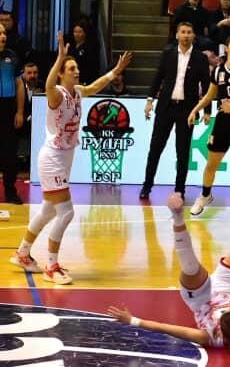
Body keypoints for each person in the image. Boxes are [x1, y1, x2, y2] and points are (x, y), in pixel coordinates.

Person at [108, 166, 230, 362]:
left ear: (220, 328)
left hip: (201, 299)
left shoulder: (209, 337)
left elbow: (168, 329)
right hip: (229, 287)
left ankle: (177, 217)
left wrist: (133, 320)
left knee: (191, 268)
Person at [9, 32, 132, 284]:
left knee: (47, 211)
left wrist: (115, 71)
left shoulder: (77, 91)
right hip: (52, 158)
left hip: (65, 157)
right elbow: (48, 85)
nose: (76, 71)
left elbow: (95, 86)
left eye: (76, 68)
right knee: (66, 212)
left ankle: (22, 253)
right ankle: (51, 266)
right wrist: (59, 58)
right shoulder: (57, 94)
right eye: (71, 68)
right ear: (62, 74)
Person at [187, 34, 230, 227]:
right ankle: (205, 195)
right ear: (227, 48)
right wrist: (195, 110)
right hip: (223, 122)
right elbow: (210, 95)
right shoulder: (218, 70)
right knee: (211, 164)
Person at [141, 22, 211, 200]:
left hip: (187, 110)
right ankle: (147, 186)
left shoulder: (200, 58)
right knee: (155, 148)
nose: (186, 35)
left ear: (194, 35)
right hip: (166, 107)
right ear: (177, 35)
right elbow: (158, 77)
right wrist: (149, 101)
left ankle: (180, 189)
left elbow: (206, 86)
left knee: (183, 151)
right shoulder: (168, 54)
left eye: (189, 32)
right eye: (183, 32)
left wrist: (207, 111)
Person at [0, 22, 25, 205]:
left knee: (10, 151)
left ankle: (10, 190)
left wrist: (20, 111)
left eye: (4, 33)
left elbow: (19, 84)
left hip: (8, 108)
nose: (3, 36)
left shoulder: (12, 56)